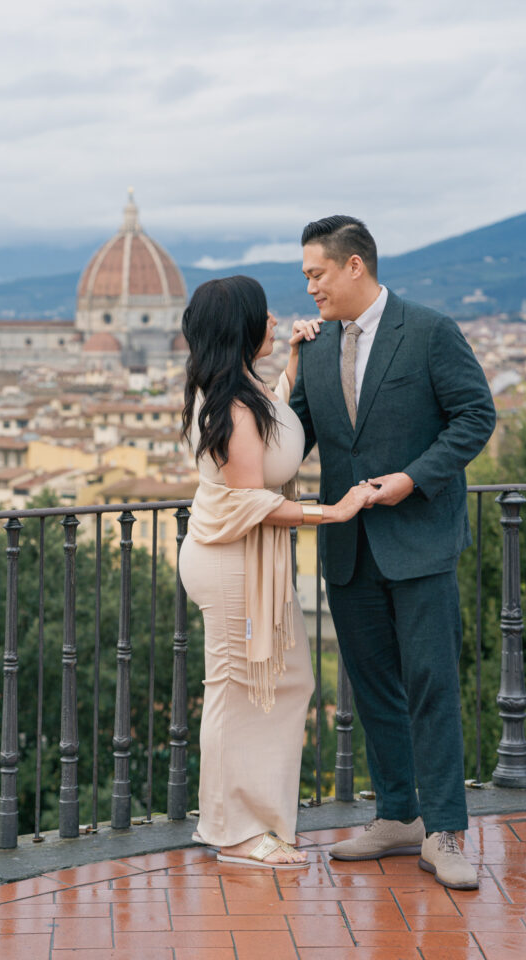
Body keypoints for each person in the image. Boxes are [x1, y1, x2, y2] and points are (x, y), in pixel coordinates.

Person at [289, 216, 496, 890]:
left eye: (316, 273)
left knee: (431, 685)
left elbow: (474, 416)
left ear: (354, 266)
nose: (309, 286)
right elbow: (289, 439)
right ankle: (398, 814)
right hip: (348, 547)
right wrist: (288, 363)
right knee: (374, 688)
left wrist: (412, 478)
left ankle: (444, 832)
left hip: (420, 540)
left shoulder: (430, 330)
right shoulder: (316, 348)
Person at [179, 274, 373, 869]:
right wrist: (331, 511)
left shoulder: (238, 392)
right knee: (237, 691)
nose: (271, 322)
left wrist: (290, 361)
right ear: (240, 327)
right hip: (234, 561)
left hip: (246, 560)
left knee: (282, 683)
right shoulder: (232, 405)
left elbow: (271, 434)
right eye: (262, 317)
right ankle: (233, 832)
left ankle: (254, 820)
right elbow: (248, 499)